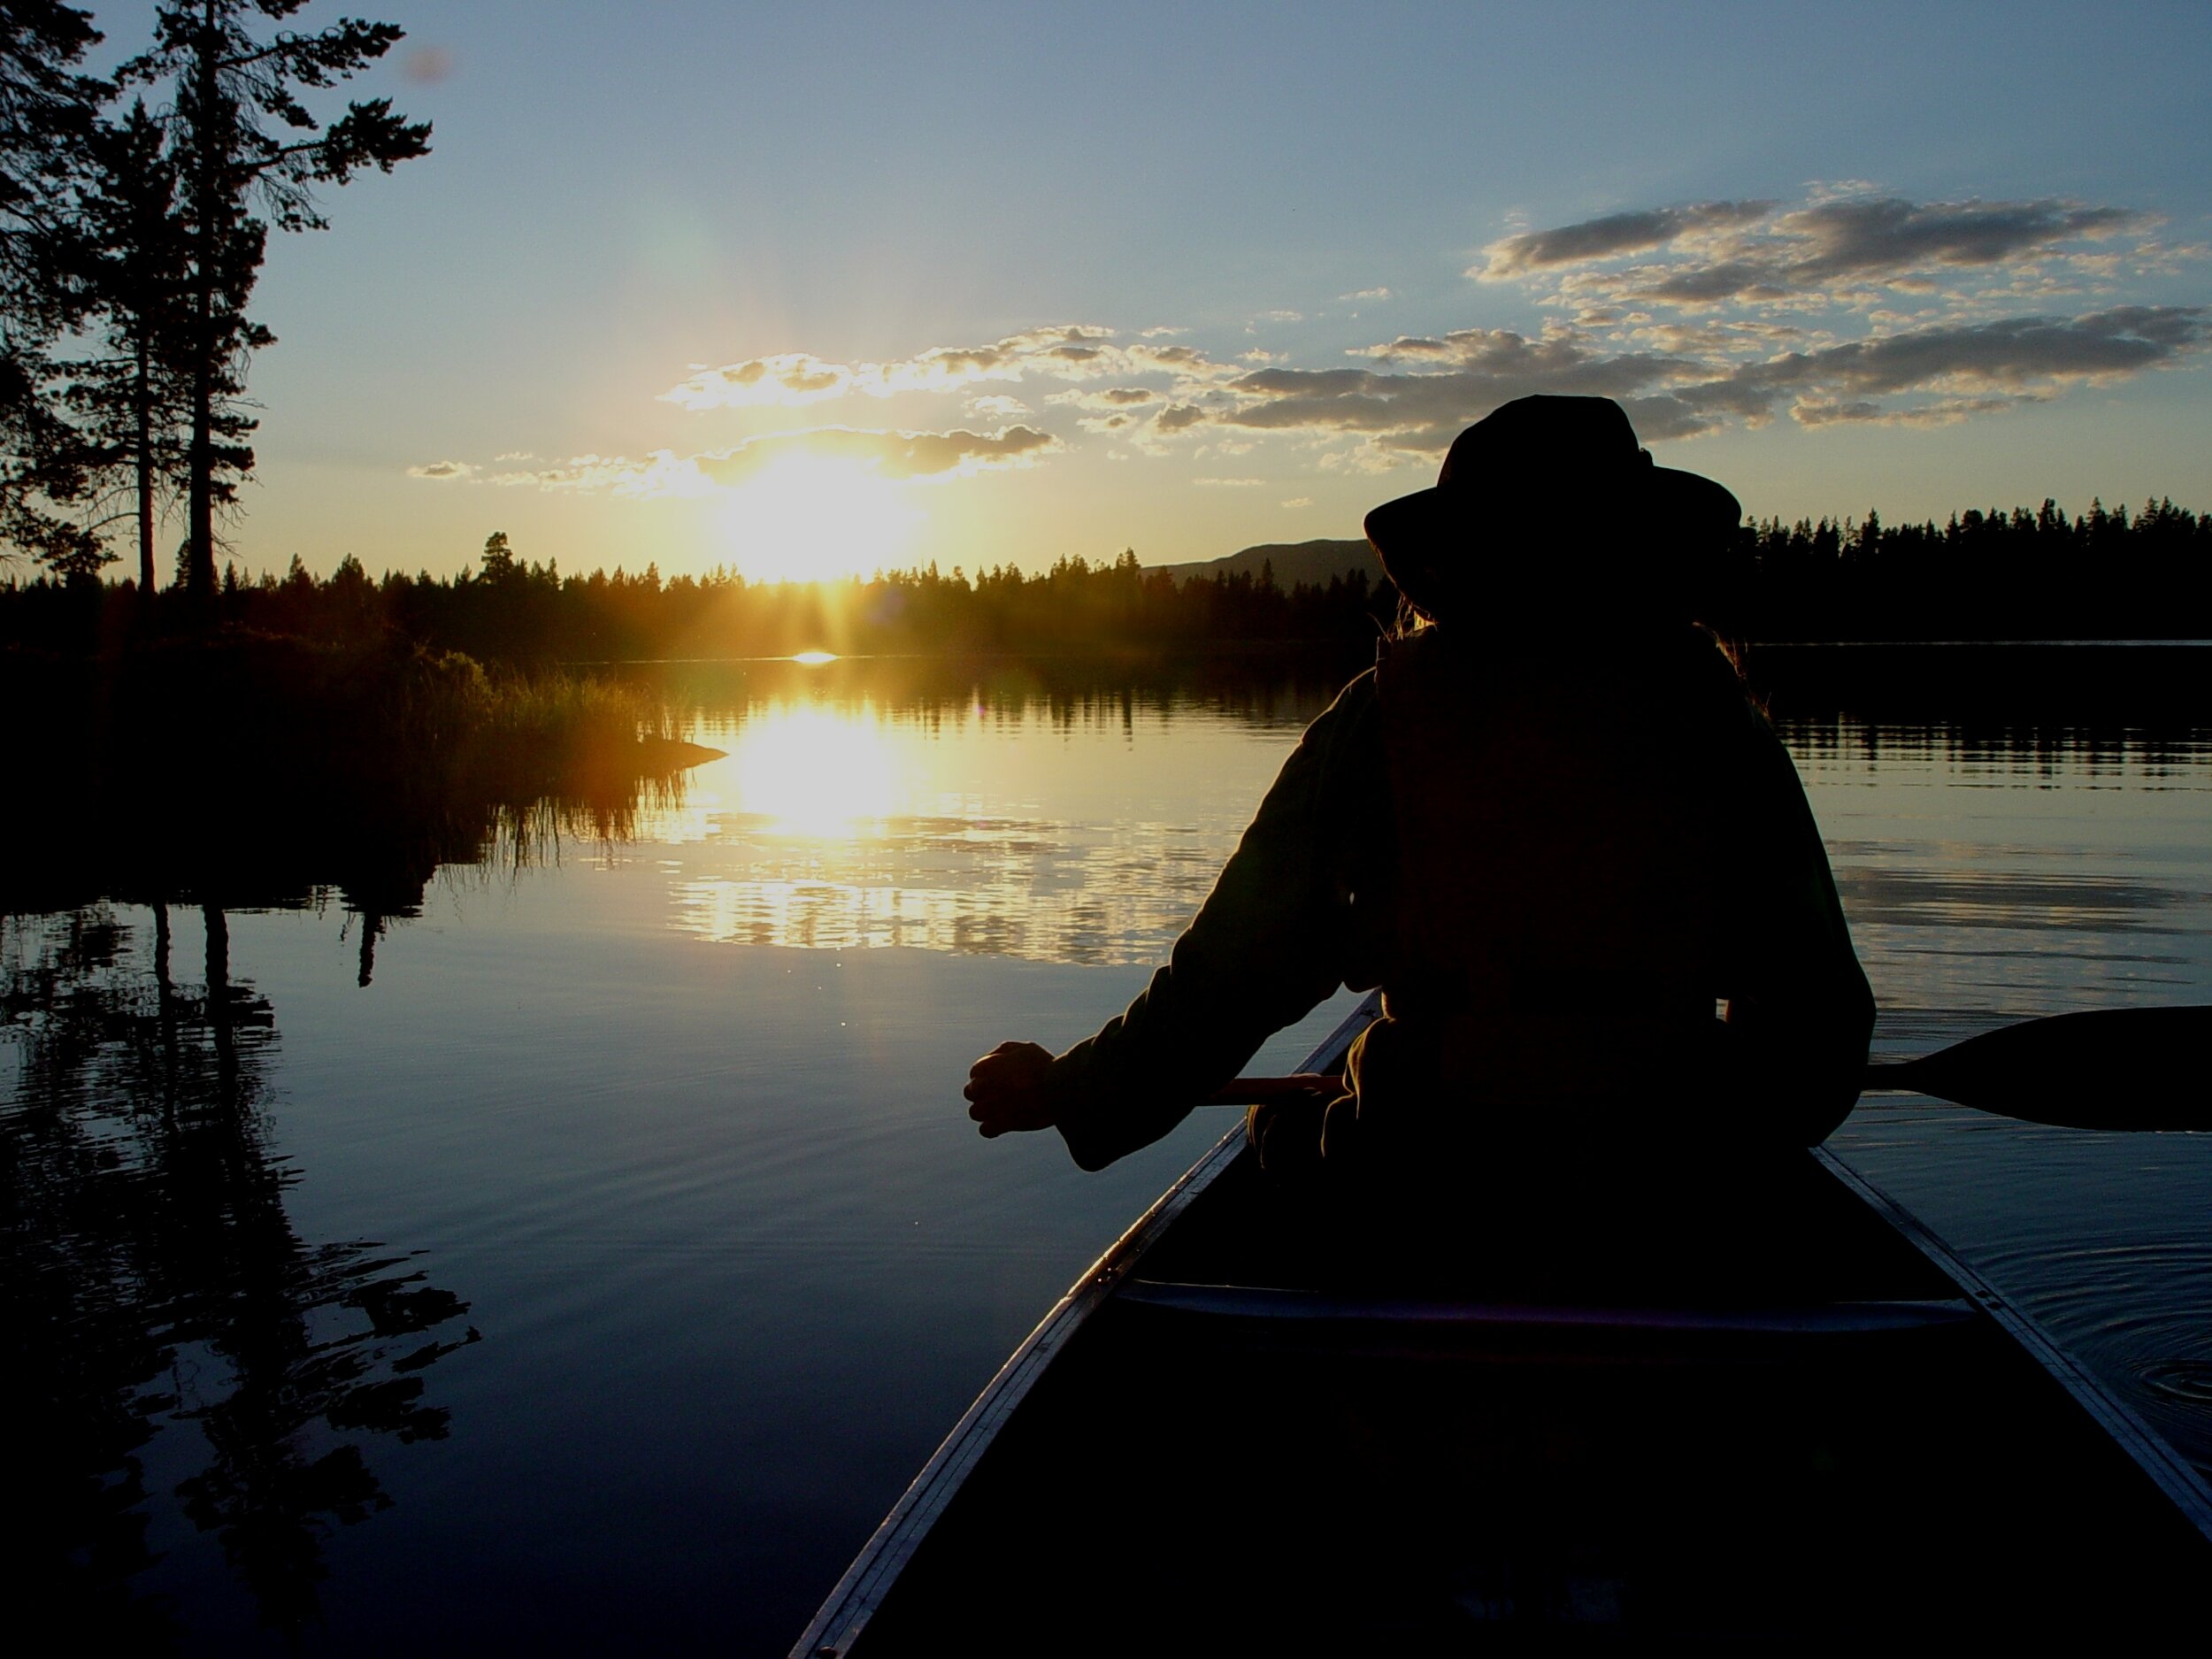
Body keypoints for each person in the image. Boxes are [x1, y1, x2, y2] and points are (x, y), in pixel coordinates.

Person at [964, 396, 1873, 1185]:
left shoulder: (1387, 716)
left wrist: (1073, 1091)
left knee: (1276, 1138)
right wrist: (1715, 1150)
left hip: (1421, 1170)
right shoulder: (1708, 711)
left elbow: (1234, 972)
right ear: (1638, 550)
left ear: (1458, 559)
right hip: (1671, 1178)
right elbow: (1821, 1025)